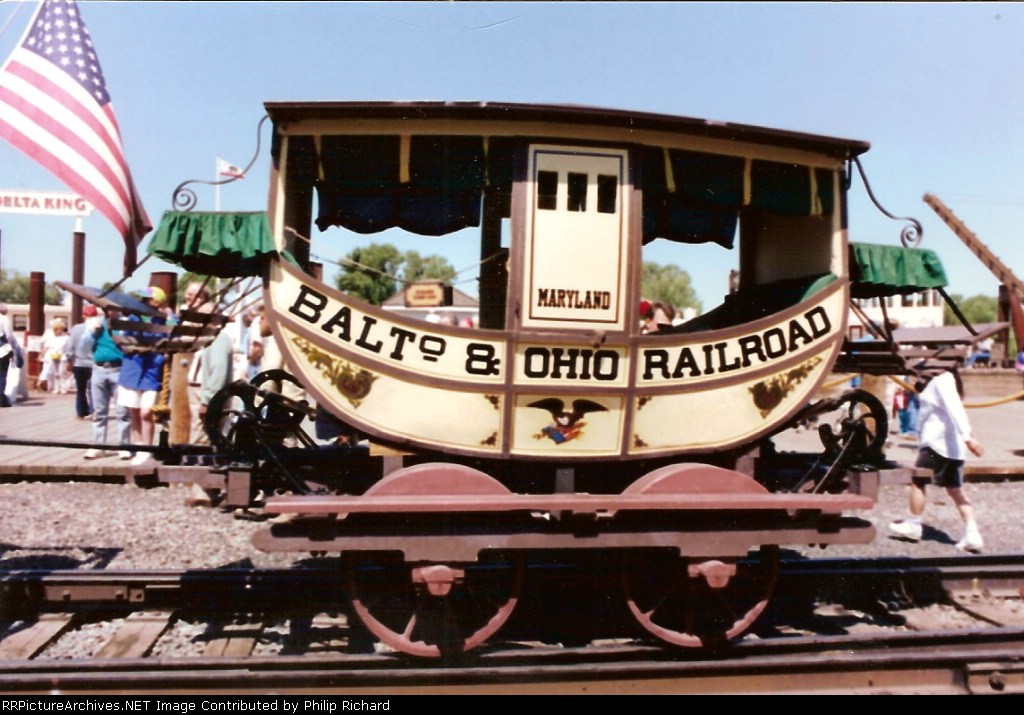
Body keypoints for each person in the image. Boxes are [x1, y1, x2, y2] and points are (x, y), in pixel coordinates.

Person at [889, 365, 985, 552]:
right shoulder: (945, 380)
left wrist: (968, 437)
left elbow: (955, 409)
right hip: (952, 448)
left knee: (918, 481)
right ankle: (972, 533)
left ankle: (914, 524)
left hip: (937, 444)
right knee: (955, 490)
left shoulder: (942, 380)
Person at [116, 287, 168, 465]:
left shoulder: (161, 319)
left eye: (148, 299)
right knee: (134, 411)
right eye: (143, 299)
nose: (144, 302)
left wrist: (159, 358)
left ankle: (147, 449)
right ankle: (139, 447)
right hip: (132, 369)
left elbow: (163, 342)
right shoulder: (132, 318)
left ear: (157, 302)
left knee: (146, 412)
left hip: (151, 370)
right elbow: (126, 342)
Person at [85, 305, 132, 460]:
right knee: (99, 411)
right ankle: (98, 446)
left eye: (114, 309)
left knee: (123, 411)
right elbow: (82, 348)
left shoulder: (124, 325)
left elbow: (130, 346)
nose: (111, 312)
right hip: (98, 369)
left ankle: (123, 446)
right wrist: (92, 334)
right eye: (108, 309)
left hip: (118, 369)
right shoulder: (96, 325)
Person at [68, 304, 98, 420]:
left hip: (79, 363)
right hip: (94, 363)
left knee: (80, 390)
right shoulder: (98, 328)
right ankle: (94, 411)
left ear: (84, 315)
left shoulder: (75, 328)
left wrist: (69, 361)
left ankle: (81, 412)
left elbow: (70, 348)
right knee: (93, 389)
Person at [0, 303, 25, 408]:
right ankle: (1, 398)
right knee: (2, 373)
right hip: (2, 348)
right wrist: (15, 348)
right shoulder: (4, 319)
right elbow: (9, 335)